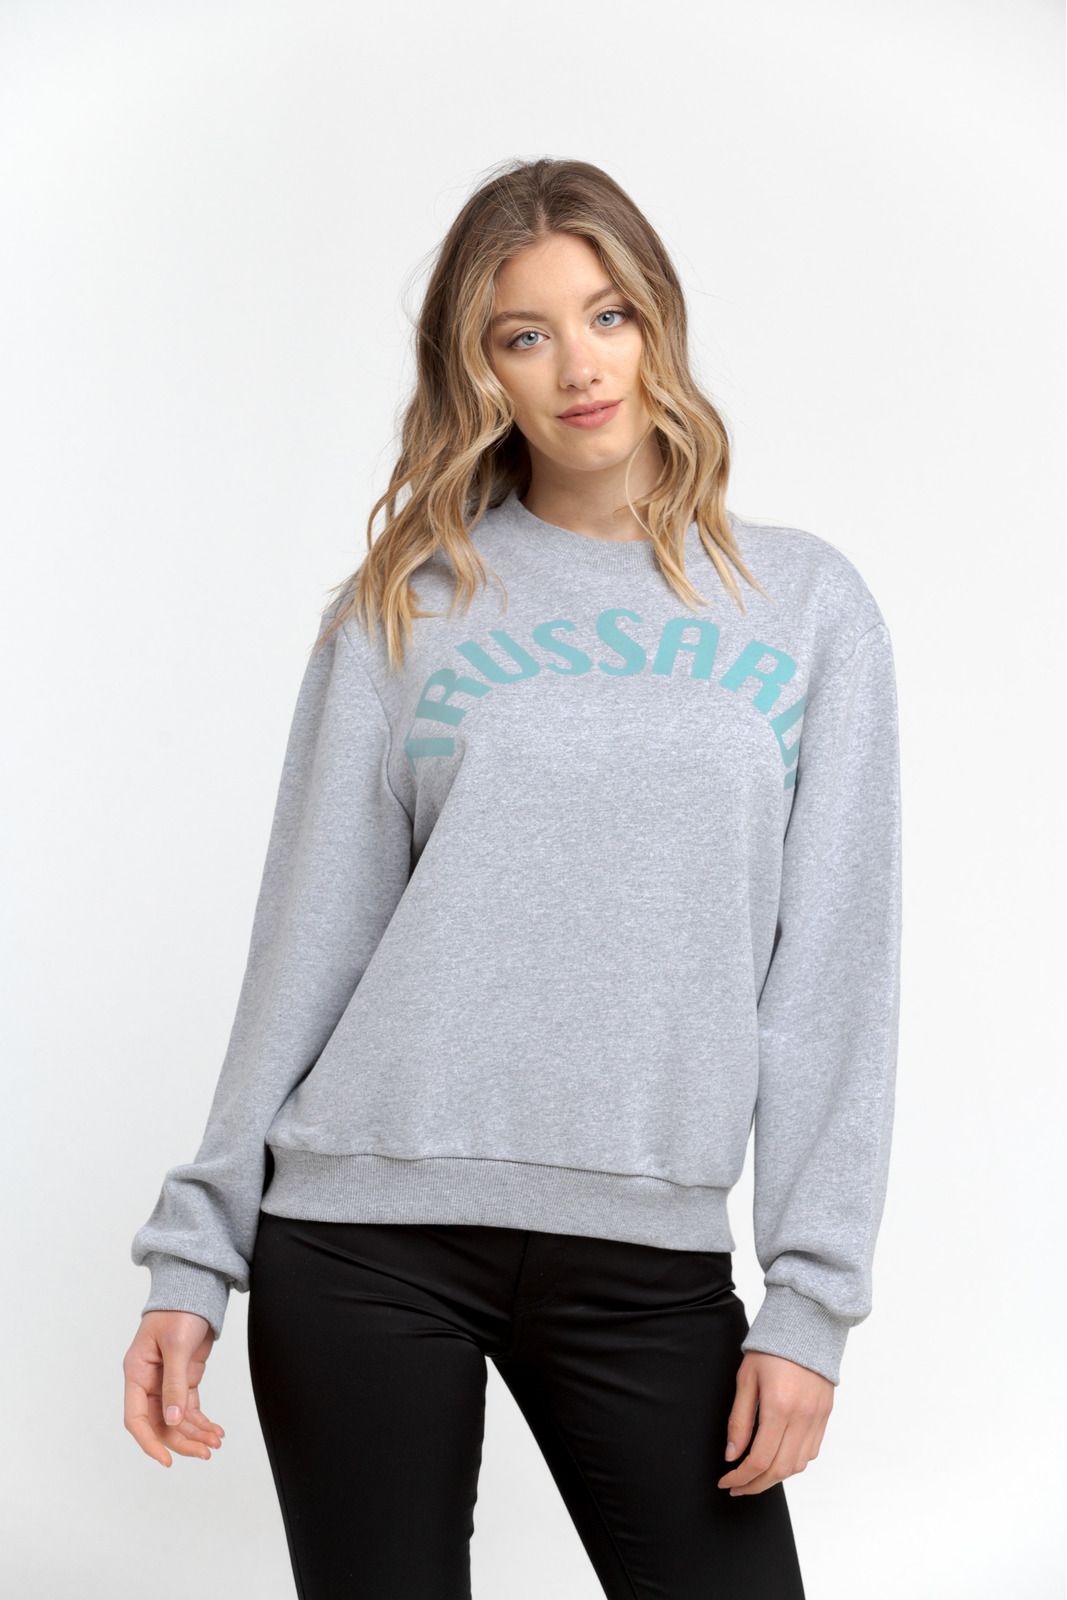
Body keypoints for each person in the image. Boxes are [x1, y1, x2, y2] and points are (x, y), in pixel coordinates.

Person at [124, 156, 902, 1599]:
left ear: (658, 324)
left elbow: (832, 979)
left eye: (607, 316)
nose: (579, 368)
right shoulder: (407, 605)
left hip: (645, 1251)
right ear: (477, 370)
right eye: (524, 334)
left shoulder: (806, 607)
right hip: (361, 1241)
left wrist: (811, 1302)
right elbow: (307, 944)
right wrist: (195, 1253)